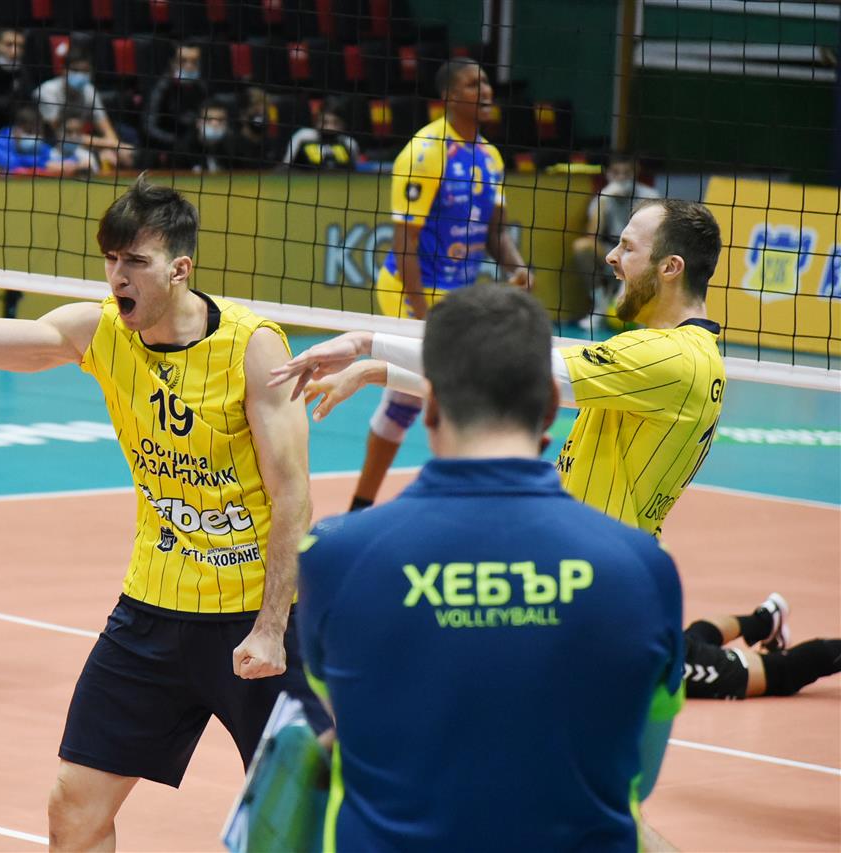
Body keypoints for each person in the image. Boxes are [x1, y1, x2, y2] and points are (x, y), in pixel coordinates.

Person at [0, 176, 328, 850]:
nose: (117, 277)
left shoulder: (254, 347)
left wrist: (272, 626)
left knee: (294, 819)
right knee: (74, 807)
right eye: (111, 259)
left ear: (180, 270)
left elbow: (293, 495)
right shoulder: (100, 330)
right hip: (153, 609)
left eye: (135, 262)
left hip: (255, 615)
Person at [297, 284, 684, 851]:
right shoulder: (645, 570)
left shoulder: (333, 557)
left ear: (430, 406)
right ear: (550, 406)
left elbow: (349, 719)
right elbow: (639, 775)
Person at [274, 198, 724, 541]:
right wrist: (376, 371)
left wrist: (364, 342)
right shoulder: (680, 354)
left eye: (627, 247)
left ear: (670, 267)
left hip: (600, 569)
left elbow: (508, 364)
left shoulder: (668, 358)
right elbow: (502, 386)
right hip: (591, 552)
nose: (611, 257)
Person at [352, 57, 531, 513]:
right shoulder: (425, 152)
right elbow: (405, 242)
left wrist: (517, 267)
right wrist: (421, 314)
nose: (485, 90)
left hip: (458, 294)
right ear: (450, 96)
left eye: (487, 81)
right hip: (410, 287)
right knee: (445, 392)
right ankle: (394, 505)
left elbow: (495, 233)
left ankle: (363, 506)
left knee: (409, 398)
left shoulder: (490, 156)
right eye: (473, 84)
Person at [683, 593, 841, 700]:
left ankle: (763, 622)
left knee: (781, 670)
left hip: (676, 664)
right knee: (698, 635)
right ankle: (764, 622)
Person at [574, 154, 661, 331]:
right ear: (608, 174)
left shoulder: (650, 196)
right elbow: (592, 235)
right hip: (613, 250)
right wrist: (603, 200)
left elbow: (654, 237)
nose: (621, 177)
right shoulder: (604, 196)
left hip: (642, 252)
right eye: (616, 173)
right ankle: (600, 306)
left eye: (626, 173)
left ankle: (643, 313)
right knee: (582, 247)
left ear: (635, 172)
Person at [34, 40, 135, 170]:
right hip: (48, 148)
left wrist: (117, 150)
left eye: (85, 71)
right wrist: (112, 145)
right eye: (76, 70)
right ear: (64, 70)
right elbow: (61, 135)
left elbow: (106, 129)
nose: (81, 75)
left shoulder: (89, 91)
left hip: (78, 146)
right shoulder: (47, 92)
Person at [143, 42, 209, 158]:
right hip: (167, 148)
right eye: (183, 61)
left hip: (197, 146)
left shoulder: (202, 88)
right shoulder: (161, 88)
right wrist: (177, 141)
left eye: (194, 62)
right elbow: (149, 128)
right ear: (172, 63)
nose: (189, 66)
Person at [281, 97, 363, 170]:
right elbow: (286, 165)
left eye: (335, 123)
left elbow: (357, 168)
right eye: (325, 122)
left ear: (343, 124)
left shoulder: (349, 143)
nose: (329, 127)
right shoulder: (303, 137)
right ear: (316, 120)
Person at [173, 99, 241, 173]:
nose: (215, 124)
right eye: (209, 119)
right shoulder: (182, 151)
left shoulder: (236, 149)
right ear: (198, 122)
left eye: (221, 120)